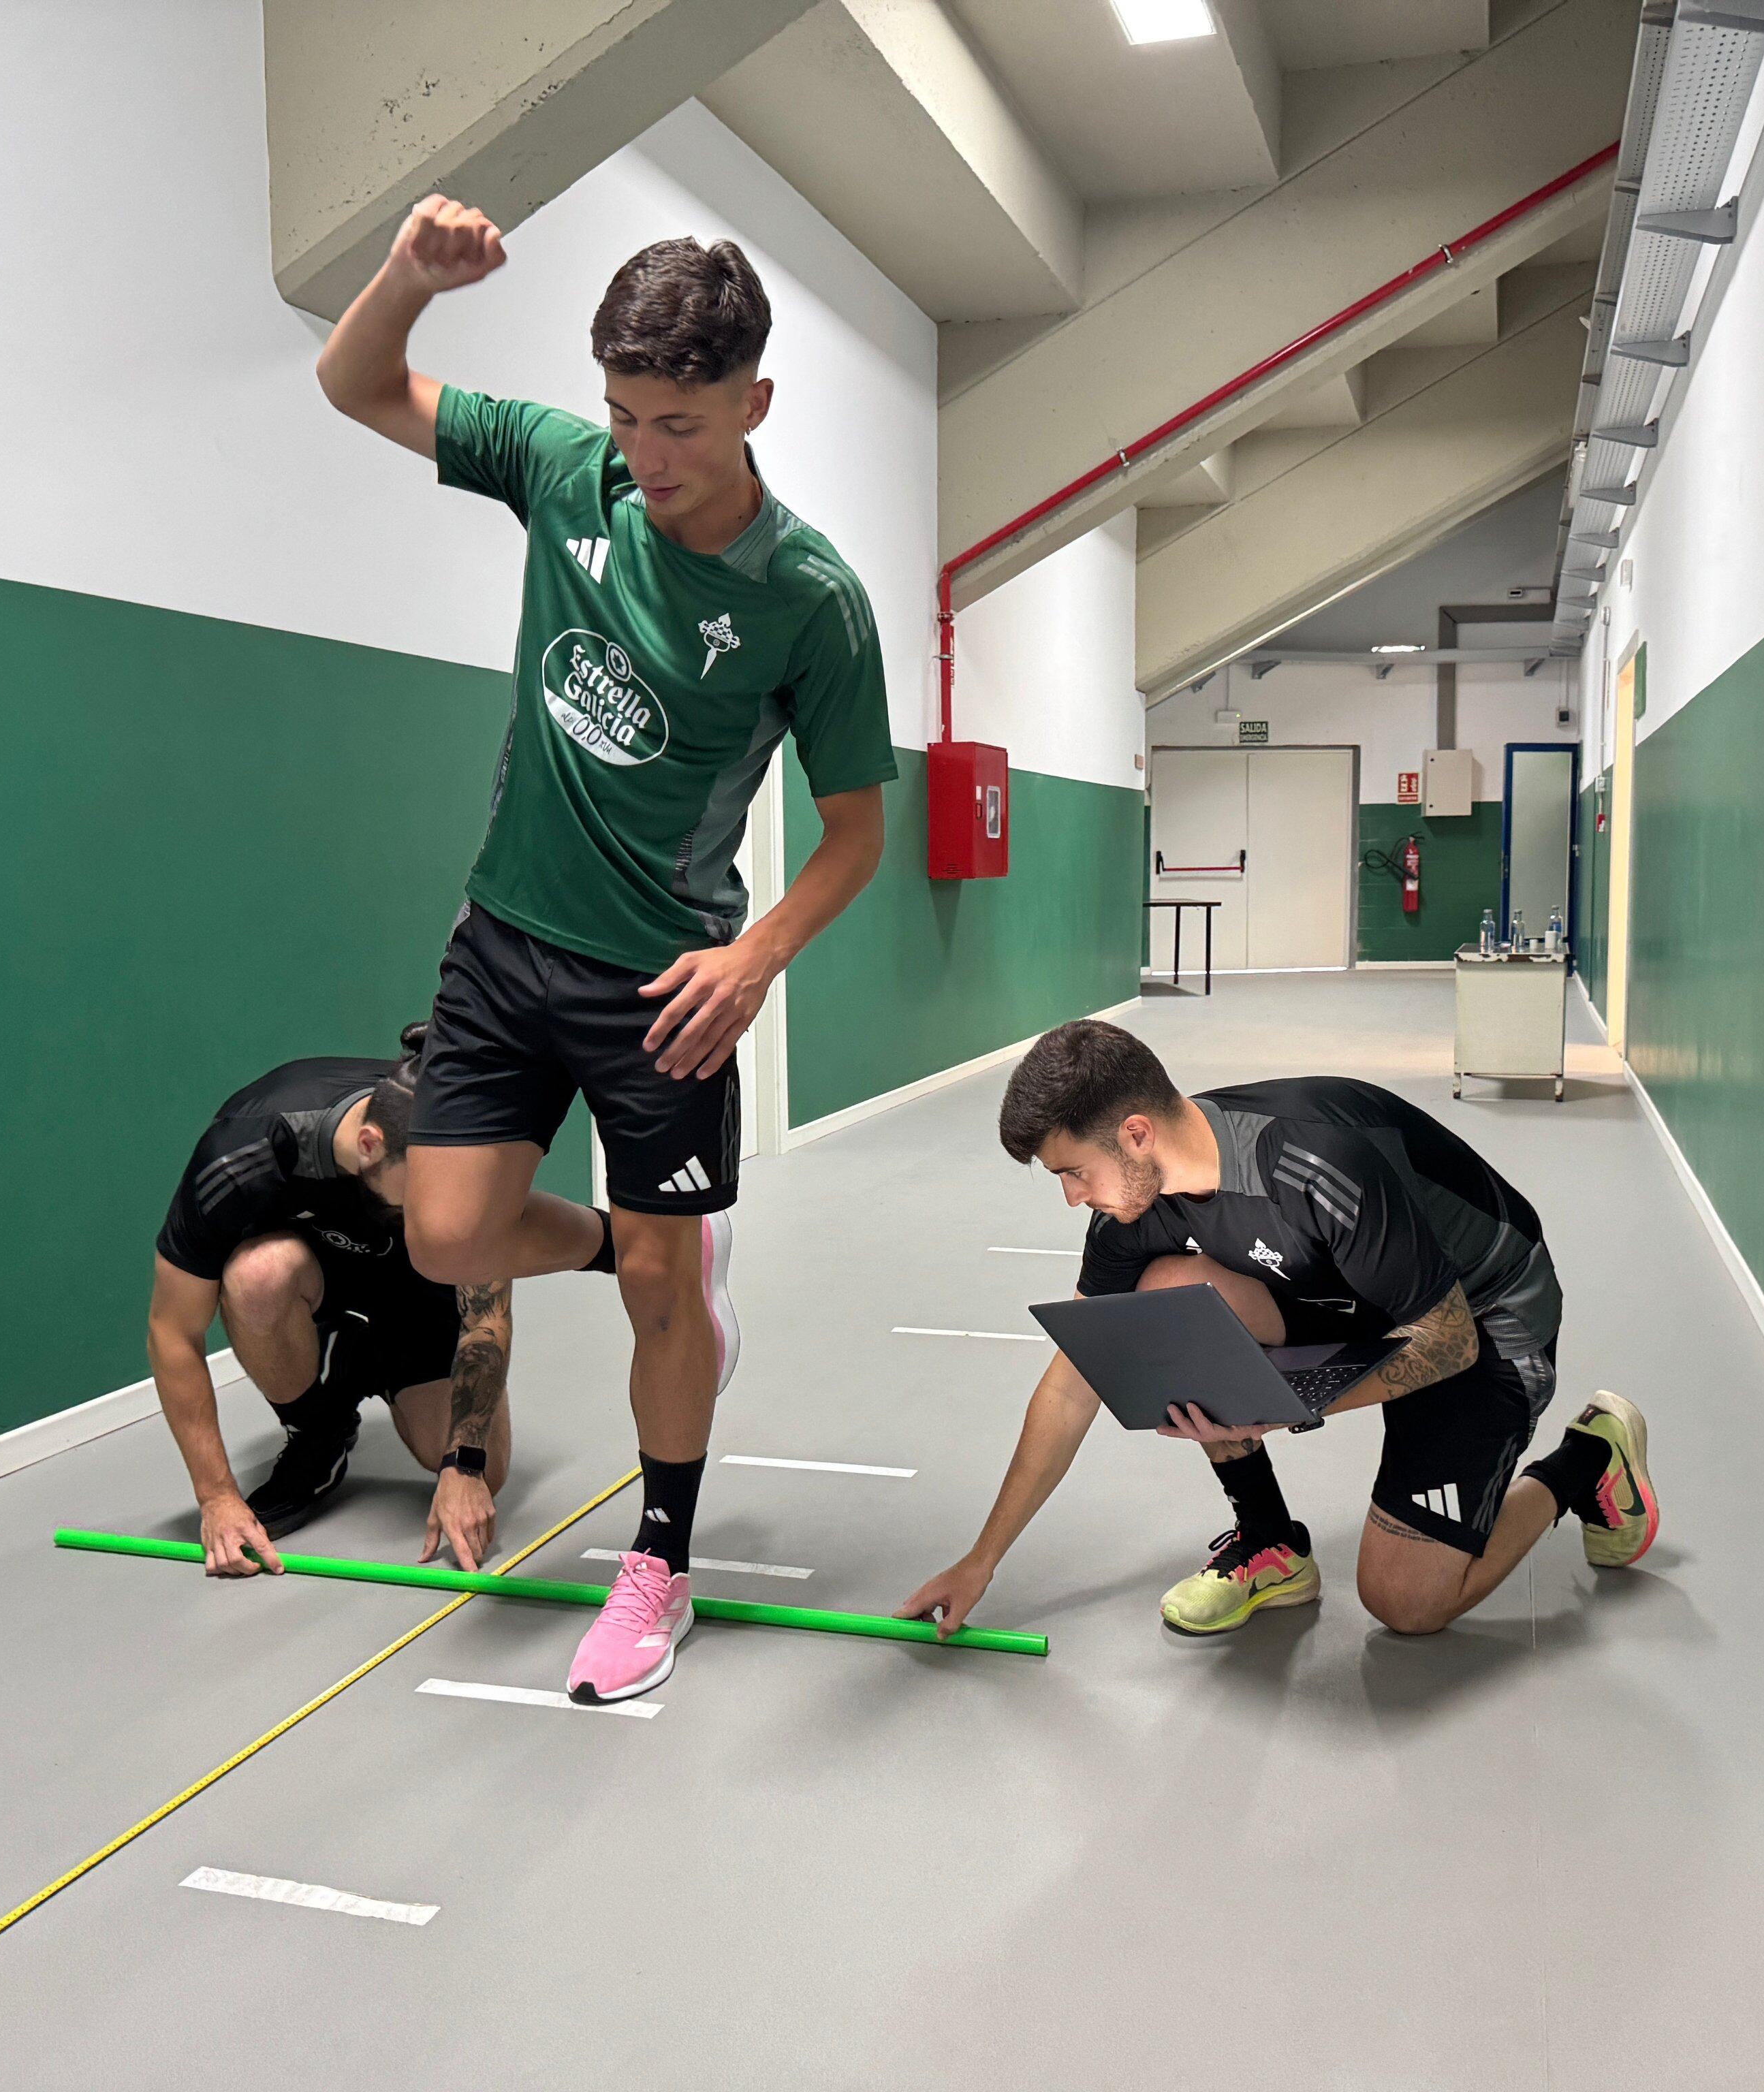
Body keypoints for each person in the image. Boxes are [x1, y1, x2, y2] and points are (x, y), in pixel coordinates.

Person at [316, 196, 898, 1702]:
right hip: (503, 946)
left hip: (667, 991)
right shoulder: (563, 472)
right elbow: (355, 385)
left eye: (683, 425)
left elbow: (853, 834)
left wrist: (757, 954)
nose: (647, 456)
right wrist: (404, 278)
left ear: (754, 404)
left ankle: (658, 1561)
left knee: (664, 1299)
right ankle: (624, 1239)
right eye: (627, 416)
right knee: (444, 1237)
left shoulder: (809, 601)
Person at [900, 1020, 1657, 1642]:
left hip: (1483, 1310)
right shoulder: (1135, 1207)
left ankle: (1587, 1460)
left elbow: (1448, 1341)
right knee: (1163, 1296)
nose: (1071, 1199)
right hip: (1349, 1290)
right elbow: (1071, 1385)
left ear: (1135, 1133)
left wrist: (1297, 1402)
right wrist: (981, 1560)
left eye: (1073, 1172)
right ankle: (1269, 1540)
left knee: (1407, 1604)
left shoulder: (1311, 1166)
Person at [148, 1029, 514, 1579]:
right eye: (422, 1189)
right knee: (255, 1274)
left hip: (420, 1289)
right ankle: (319, 1430)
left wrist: (464, 1463)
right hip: (315, 1281)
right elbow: (171, 1333)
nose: (442, 1205)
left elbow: (487, 1314)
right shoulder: (244, 1152)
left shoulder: (463, 1141)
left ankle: (374, 1359)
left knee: (490, 1470)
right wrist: (217, 1497)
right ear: (370, 1146)